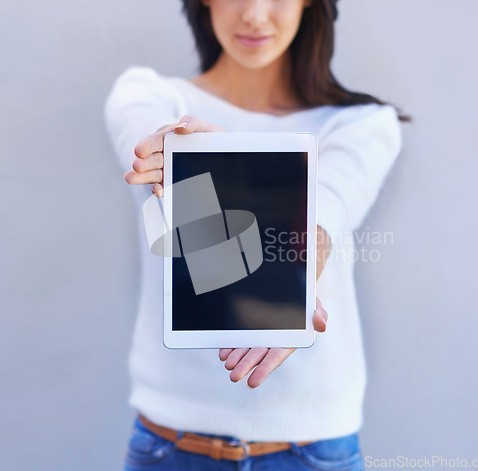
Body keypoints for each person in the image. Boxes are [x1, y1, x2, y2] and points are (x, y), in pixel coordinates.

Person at [104, 0, 409, 469]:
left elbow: (327, 206)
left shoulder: (360, 124)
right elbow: (147, 143)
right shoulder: (147, 95)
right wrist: (191, 153)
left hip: (314, 449)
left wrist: (300, 269)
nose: (255, 14)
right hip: (169, 444)